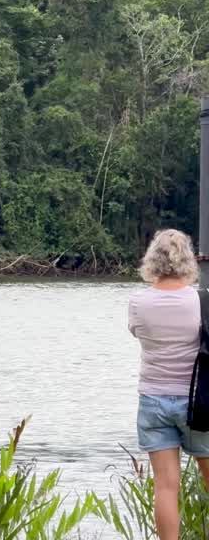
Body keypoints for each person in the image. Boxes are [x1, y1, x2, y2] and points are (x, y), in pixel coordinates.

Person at [130, 229, 209, 540]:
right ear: (188, 259)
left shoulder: (138, 302)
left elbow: (136, 332)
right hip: (199, 402)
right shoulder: (202, 301)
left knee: (165, 486)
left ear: (152, 259)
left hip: (152, 400)